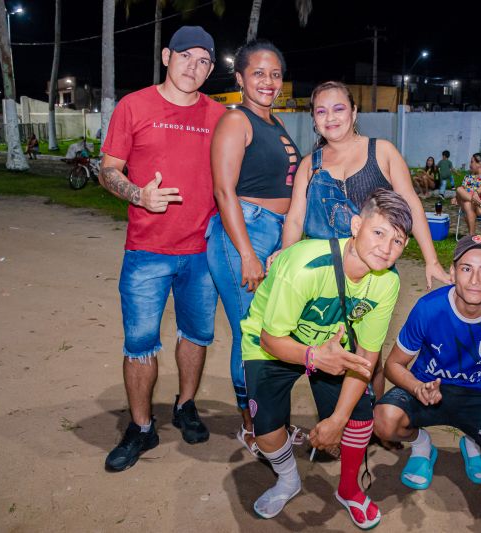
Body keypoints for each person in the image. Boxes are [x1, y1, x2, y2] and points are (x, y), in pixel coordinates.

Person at [243, 189, 412, 529]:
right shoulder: (305, 267)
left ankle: (349, 489)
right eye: (378, 232)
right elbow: (270, 339)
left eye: (397, 241)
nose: (386, 248)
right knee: (267, 434)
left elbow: (366, 355)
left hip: (331, 346)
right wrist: (312, 357)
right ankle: (288, 479)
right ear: (356, 226)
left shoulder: (387, 283)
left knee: (359, 418)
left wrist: (338, 419)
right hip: (272, 342)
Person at [97, 25, 225, 472]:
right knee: (139, 344)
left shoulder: (220, 116)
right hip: (147, 251)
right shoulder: (134, 106)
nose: (195, 67)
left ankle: (186, 405)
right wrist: (139, 195)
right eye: (187, 56)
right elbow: (108, 170)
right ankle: (141, 427)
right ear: (167, 57)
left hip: (203, 252)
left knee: (196, 335)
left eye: (205, 61)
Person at [280, 81, 450, 401]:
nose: (331, 117)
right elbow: (295, 219)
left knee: (370, 355)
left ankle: (373, 415)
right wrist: (285, 258)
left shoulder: (381, 151)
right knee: (326, 347)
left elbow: (412, 204)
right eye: (321, 111)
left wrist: (431, 260)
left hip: (374, 273)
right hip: (325, 278)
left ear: (354, 112)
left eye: (339, 108)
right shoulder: (309, 165)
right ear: (313, 118)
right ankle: (339, 415)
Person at [373, 234, 481, 493]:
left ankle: (474, 440)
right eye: (466, 269)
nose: (475, 280)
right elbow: (393, 365)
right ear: (453, 273)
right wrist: (417, 387)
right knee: (383, 421)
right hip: (428, 388)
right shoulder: (429, 308)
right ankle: (422, 445)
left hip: (477, 396)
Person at [208, 40, 301, 458]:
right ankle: (252, 426)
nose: (268, 81)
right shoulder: (236, 120)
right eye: (259, 73)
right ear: (240, 78)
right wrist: (247, 253)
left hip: (273, 235)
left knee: (271, 330)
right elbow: (224, 191)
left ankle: (270, 423)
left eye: (275, 74)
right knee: (252, 334)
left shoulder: (274, 122)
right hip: (245, 233)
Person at [453, 152, 481, 235]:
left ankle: (471, 235)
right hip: (480, 205)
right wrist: (456, 197)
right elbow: (461, 191)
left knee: (467, 203)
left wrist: (476, 193)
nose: (470, 165)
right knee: (460, 190)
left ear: (479, 163)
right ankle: (480, 203)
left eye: (472, 162)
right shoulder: (468, 177)